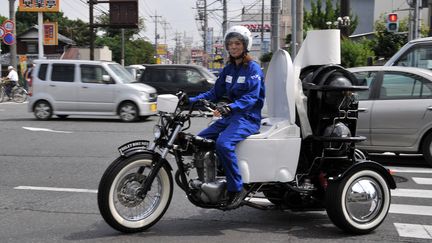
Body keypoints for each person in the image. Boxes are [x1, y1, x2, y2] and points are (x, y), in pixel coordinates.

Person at [188, 25, 265, 209]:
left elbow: (251, 98)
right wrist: (189, 100)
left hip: (247, 118)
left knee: (224, 143)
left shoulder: (253, 69)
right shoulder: (229, 68)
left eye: (237, 43)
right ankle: (211, 178)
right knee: (200, 139)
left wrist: (230, 107)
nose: (233, 47)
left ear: (245, 45)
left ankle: (235, 188)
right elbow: (214, 93)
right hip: (230, 117)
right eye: (230, 43)